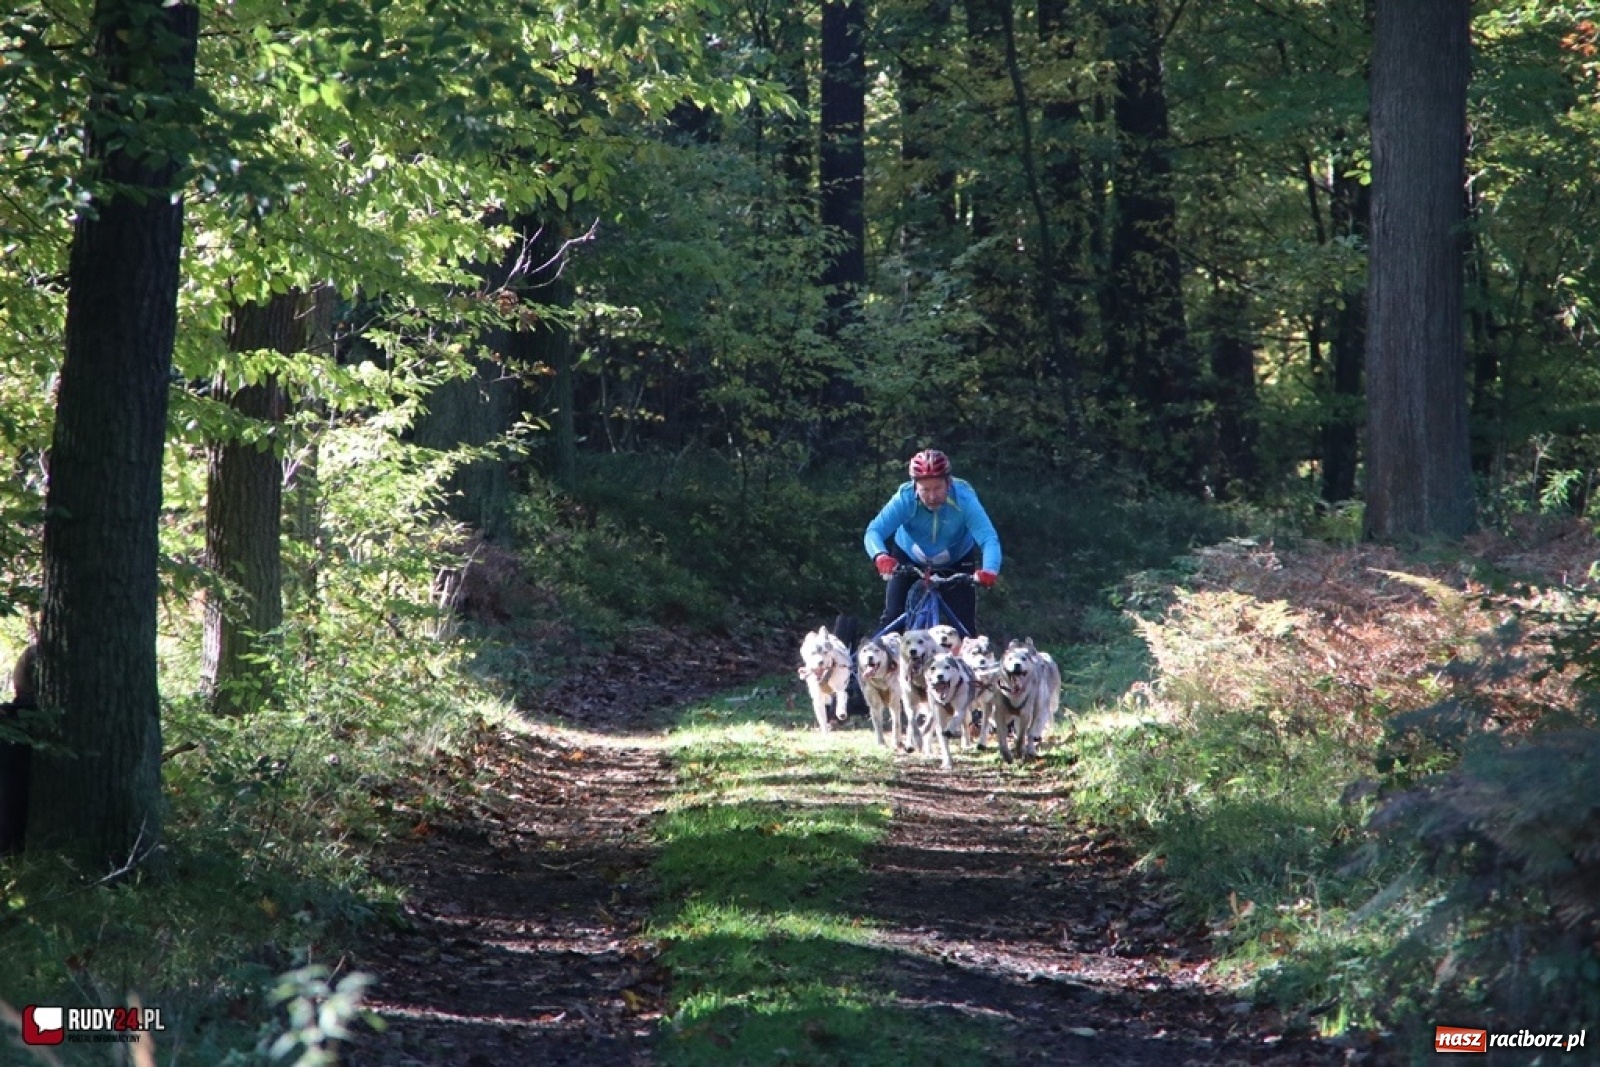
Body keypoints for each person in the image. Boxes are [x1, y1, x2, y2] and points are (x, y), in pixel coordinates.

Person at [864, 449, 1001, 637]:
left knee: (965, 630)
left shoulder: (965, 499)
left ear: (949, 483)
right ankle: (874, 653)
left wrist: (990, 569)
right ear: (915, 486)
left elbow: (988, 538)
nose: (932, 496)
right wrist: (881, 556)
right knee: (892, 620)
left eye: (938, 488)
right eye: (925, 490)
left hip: (957, 561)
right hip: (908, 557)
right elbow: (874, 531)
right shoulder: (904, 498)